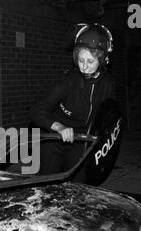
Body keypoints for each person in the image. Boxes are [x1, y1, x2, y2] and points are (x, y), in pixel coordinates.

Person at [31, 23, 117, 181]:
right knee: (48, 185)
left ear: (103, 59)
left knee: (78, 187)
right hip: (55, 139)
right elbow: (37, 111)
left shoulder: (108, 84)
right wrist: (59, 127)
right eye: (81, 60)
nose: (84, 67)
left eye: (90, 62)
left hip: (82, 140)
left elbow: (109, 118)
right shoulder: (68, 81)